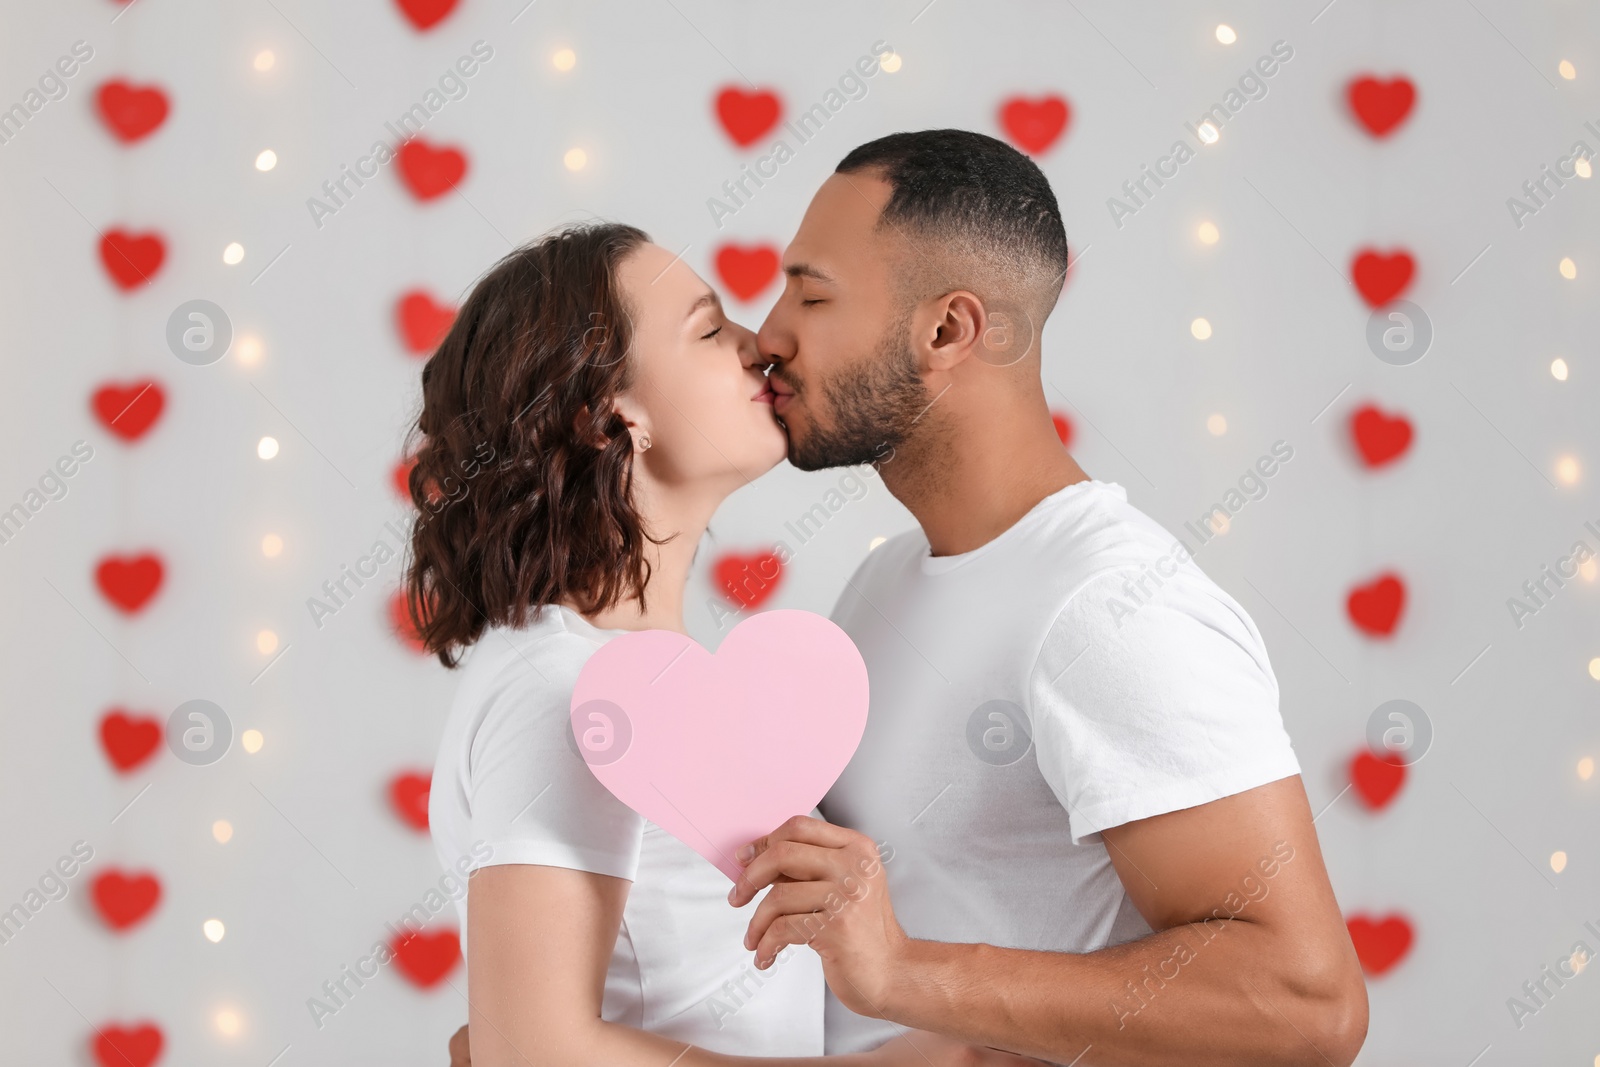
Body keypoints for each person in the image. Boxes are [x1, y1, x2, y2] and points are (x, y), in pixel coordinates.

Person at [723, 129, 1370, 1066]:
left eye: (812, 294)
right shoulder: (881, 582)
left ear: (948, 330)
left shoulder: (1113, 608)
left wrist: (904, 971)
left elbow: (1307, 1006)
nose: (770, 333)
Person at [406, 222, 1040, 1067]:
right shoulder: (559, 689)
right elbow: (532, 1052)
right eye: (710, 329)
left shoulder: (628, 670)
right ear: (609, 416)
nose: (761, 346)